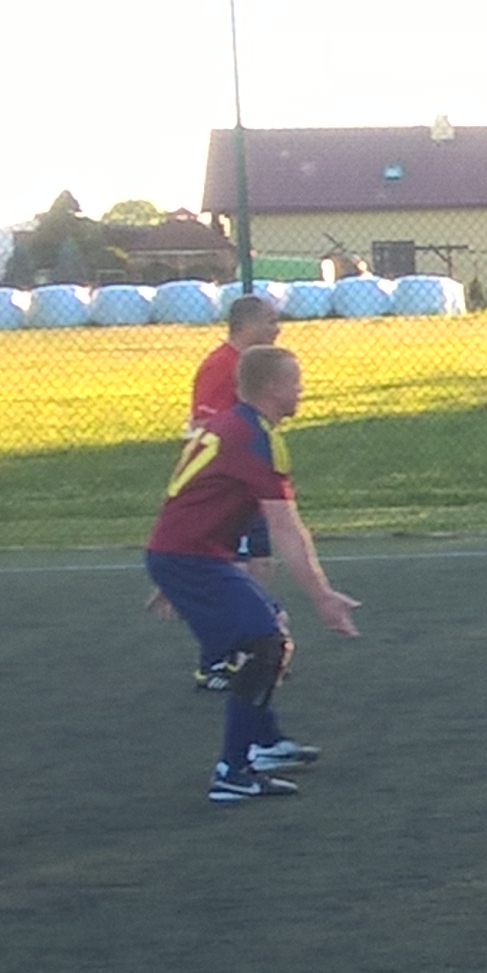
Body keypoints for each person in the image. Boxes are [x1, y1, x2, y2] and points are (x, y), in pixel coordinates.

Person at [145, 344, 361, 802]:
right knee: (264, 643)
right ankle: (233, 771)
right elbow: (286, 528)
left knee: (268, 629)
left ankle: (263, 744)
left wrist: (167, 570)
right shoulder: (254, 438)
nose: (302, 389)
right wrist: (323, 596)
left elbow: (191, 498)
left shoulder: (231, 425)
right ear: (272, 387)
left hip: (189, 556)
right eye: (295, 381)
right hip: (191, 558)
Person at [172, 290, 283, 688]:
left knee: (261, 564)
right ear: (248, 324)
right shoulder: (220, 367)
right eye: (271, 321)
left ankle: (253, 649)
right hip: (227, 492)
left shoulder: (252, 368)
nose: (277, 329)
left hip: (251, 486)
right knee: (231, 574)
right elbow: (205, 430)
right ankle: (215, 661)